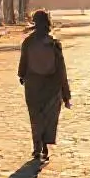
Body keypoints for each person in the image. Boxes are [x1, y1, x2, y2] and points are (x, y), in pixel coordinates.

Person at [17, 9, 71, 163]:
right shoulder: (54, 44)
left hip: (33, 86)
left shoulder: (28, 42)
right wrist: (66, 94)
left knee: (35, 117)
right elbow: (61, 70)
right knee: (48, 117)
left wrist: (22, 76)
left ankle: (37, 147)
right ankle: (45, 145)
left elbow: (23, 64)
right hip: (51, 87)